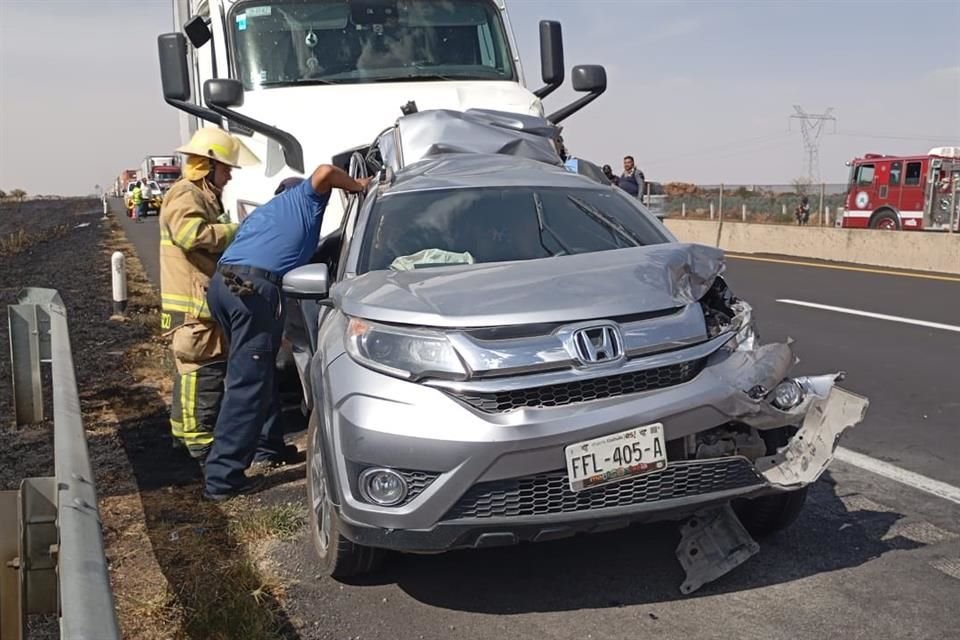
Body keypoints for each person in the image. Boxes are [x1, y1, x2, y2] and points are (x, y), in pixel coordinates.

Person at [202, 166, 370, 501]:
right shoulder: (306, 199)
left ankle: (269, 447)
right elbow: (324, 173)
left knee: (257, 371)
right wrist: (356, 185)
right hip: (252, 291)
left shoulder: (266, 214)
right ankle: (222, 479)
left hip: (224, 286)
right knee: (247, 384)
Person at [159, 127, 259, 464]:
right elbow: (191, 235)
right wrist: (237, 230)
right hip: (192, 307)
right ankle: (201, 447)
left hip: (197, 304)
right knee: (203, 372)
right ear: (208, 165)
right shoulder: (186, 195)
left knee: (193, 372)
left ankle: (181, 441)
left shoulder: (200, 195)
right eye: (226, 168)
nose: (229, 175)